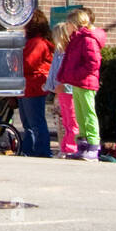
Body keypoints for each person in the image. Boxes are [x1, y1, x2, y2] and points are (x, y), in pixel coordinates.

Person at [56, 7, 105, 161]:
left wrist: (74, 75)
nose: (67, 27)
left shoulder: (87, 39)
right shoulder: (76, 39)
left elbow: (93, 63)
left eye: (69, 23)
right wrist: (64, 76)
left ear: (75, 24)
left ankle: (93, 146)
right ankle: (83, 145)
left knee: (88, 114)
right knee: (80, 115)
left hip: (86, 83)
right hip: (77, 83)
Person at [20, 10, 54, 157]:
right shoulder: (36, 42)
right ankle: (30, 149)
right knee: (29, 122)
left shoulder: (37, 43)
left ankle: (41, 150)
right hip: (30, 85)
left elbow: (29, 63)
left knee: (34, 122)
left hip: (33, 86)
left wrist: (14, 63)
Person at [45, 18, 80, 156]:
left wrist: (64, 85)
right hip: (60, 91)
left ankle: (72, 147)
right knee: (63, 120)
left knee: (72, 119)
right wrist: (51, 87)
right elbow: (53, 71)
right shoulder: (58, 53)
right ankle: (64, 147)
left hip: (68, 90)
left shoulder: (69, 53)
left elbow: (70, 72)